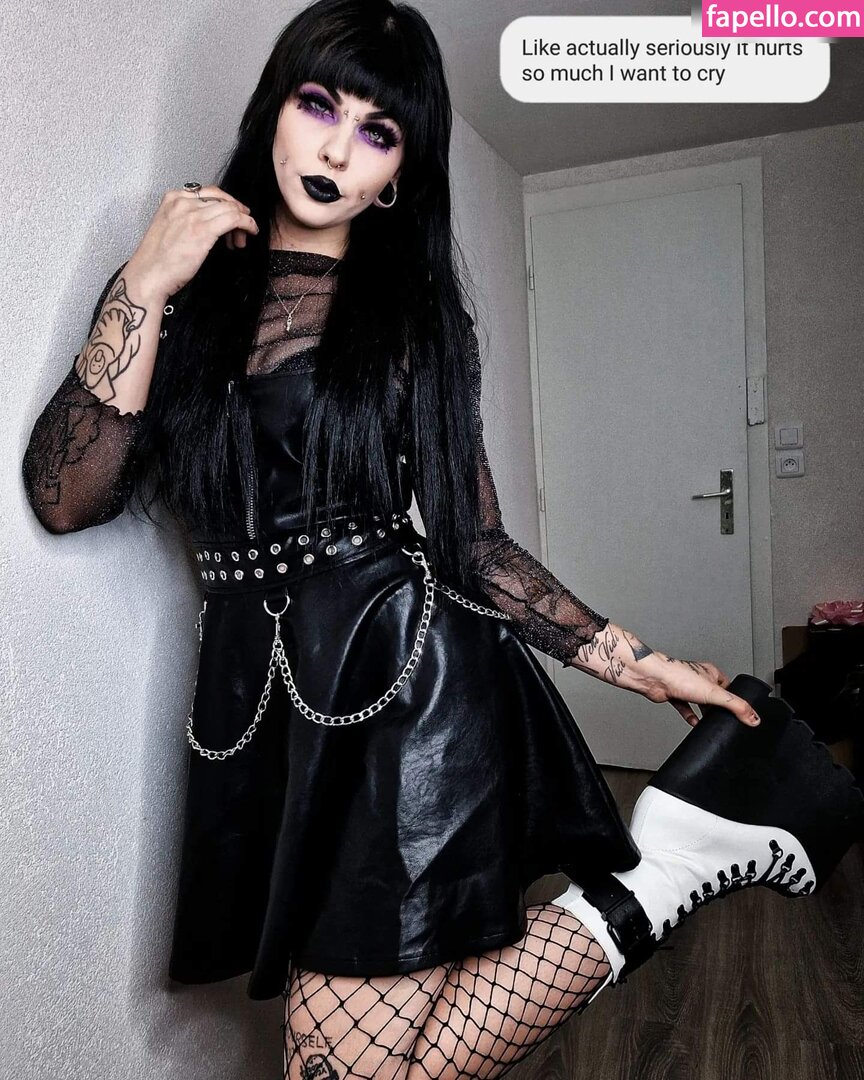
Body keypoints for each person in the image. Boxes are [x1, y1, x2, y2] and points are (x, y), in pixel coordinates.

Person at [20, 1, 863, 1077]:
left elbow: (475, 543)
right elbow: (66, 496)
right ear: (274, 110)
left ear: (397, 175)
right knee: (347, 1063)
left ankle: (664, 871)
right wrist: (142, 280)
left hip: (401, 683)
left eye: (377, 131)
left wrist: (638, 663)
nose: (337, 149)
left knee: (348, 1060)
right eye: (318, 104)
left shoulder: (412, 318)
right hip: (263, 696)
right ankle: (666, 871)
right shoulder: (182, 293)